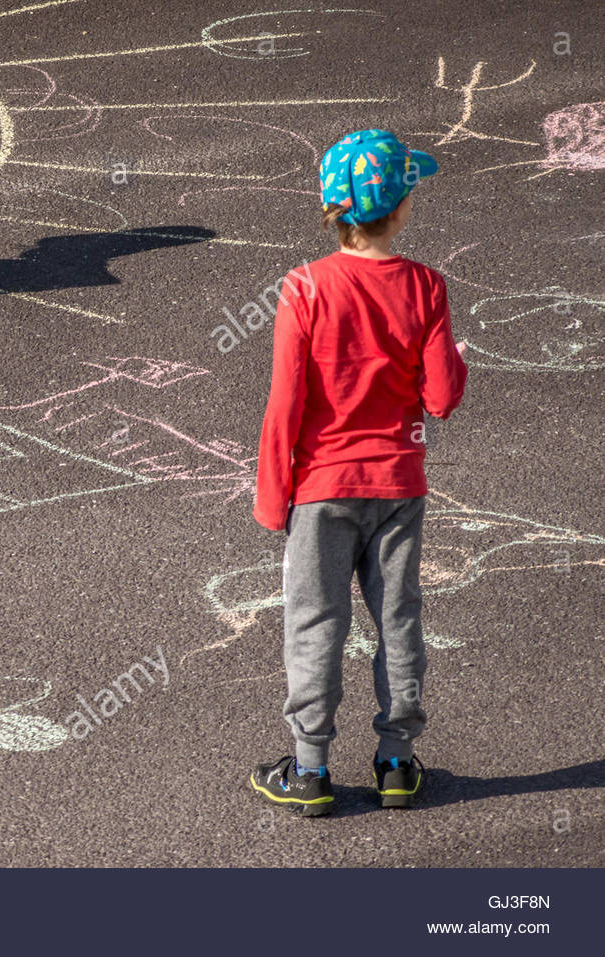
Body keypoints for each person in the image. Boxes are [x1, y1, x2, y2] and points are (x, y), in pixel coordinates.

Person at [249, 129, 468, 816]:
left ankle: (310, 768)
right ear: (399, 209)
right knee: (398, 616)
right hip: (398, 486)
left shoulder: (304, 287)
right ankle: (397, 759)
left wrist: (271, 494)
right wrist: (451, 352)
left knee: (316, 621)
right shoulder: (426, 286)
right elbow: (442, 397)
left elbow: (286, 399)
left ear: (333, 212)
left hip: (321, 488)